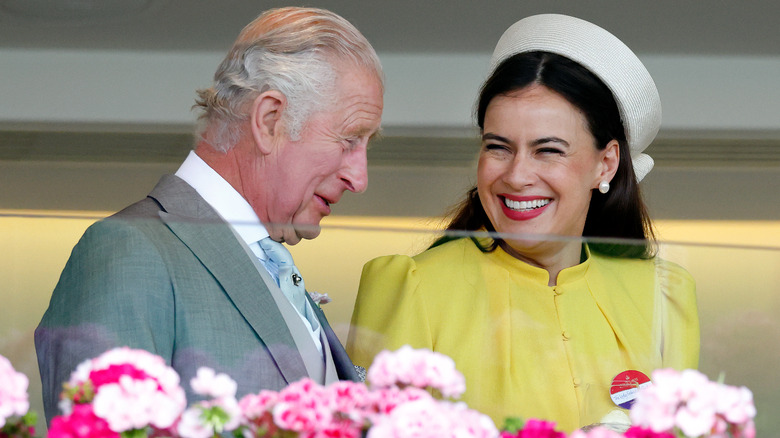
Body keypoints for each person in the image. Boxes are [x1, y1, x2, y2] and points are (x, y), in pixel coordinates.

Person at [347, 14, 698, 431]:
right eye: (498, 147)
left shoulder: (662, 297)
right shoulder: (410, 286)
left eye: (548, 150)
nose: (516, 175)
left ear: (605, 164)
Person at [35, 7, 383, 424]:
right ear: (270, 119)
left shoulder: (263, 258)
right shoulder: (129, 252)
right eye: (348, 140)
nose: (359, 178)